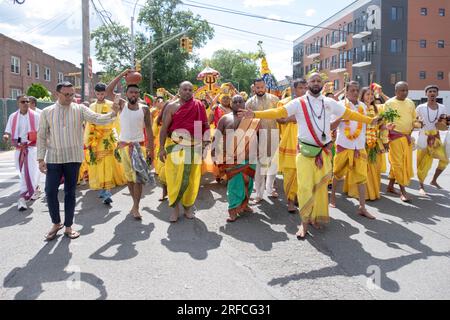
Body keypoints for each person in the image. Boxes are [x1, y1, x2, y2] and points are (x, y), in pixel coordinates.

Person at [239, 73, 377, 239]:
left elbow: (350, 114)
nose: (316, 83)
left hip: (324, 152)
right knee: (304, 188)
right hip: (305, 153)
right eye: (313, 80)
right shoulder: (299, 102)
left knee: (320, 188)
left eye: (319, 80)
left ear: (322, 84)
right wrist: (255, 114)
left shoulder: (329, 102)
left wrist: (370, 121)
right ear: (308, 83)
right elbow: (279, 112)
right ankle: (303, 223)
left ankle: (314, 217)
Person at [37, 82, 120, 241]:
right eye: (66, 94)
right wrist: (40, 158)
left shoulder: (79, 109)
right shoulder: (47, 112)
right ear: (57, 94)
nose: (70, 98)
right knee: (49, 191)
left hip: (73, 158)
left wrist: (113, 112)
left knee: (70, 192)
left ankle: (68, 226)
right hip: (54, 158)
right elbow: (41, 136)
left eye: (72, 94)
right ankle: (56, 223)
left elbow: (97, 119)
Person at [105, 72, 155, 219]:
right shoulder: (121, 105)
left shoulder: (144, 108)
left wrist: (151, 151)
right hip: (124, 147)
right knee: (129, 178)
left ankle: (136, 207)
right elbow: (108, 91)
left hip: (139, 147)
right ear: (126, 93)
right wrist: (122, 74)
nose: (134, 94)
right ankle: (134, 203)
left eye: (136, 92)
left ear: (138, 94)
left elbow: (150, 131)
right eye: (131, 92)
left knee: (138, 179)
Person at [159, 81, 209, 223]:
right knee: (174, 177)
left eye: (190, 90)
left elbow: (202, 125)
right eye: (185, 89)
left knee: (192, 179)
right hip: (175, 147)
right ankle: (174, 208)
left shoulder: (198, 105)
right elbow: (163, 129)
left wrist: (204, 145)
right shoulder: (171, 106)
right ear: (179, 91)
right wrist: (161, 148)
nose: (187, 91)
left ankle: (187, 207)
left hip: (194, 147)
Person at [329, 81, 375, 219]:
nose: (355, 93)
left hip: (359, 146)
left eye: (357, 90)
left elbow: (368, 125)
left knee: (362, 177)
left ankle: (362, 207)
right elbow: (331, 127)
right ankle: (332, 199)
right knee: (337, 174)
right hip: (343, 145)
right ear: (346, 91)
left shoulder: (363, 107)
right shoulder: (339, 106)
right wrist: (341, 118)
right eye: (352, 90)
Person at [213, 95, 260, 222]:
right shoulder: (224, 119)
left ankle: (244, 205)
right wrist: (213, 152)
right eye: (235, 101)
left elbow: (259, 136)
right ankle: (232, 210)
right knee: (234, 185)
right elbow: (216, 137)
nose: (238, 103)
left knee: (248, 183)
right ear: (231, 104)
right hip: (231, 157)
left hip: (250, 156)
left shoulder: (253, 119)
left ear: (245, 103)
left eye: (240, 101)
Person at [84, 83, 126, 205]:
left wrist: (117, 137)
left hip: (107, 138)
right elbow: (89, 123)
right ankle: (102, 187)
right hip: (96, 140)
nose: (100, 96)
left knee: (107, 164)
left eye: (102, 93)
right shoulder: (91, 106)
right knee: (98, 164)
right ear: (94, 93)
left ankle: (107, 191)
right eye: (98, 94)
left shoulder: (111, 104)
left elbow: (115, 120)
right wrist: (88, 139)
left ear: (105, 93)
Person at [345, 87, 388, 201]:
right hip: (360, 142)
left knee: (374, 167)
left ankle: (372, 191)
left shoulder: (378, 109)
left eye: (372, 95)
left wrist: (384, 137)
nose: (370, 97)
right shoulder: (359, 108)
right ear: (362, 96)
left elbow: (382, 125)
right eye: (367, 94)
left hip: (374, 142)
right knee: (360, 168)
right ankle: (359, 193)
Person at [3, 95, 41, 211]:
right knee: (22, 172)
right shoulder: (13, 117)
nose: (25, 103)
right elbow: (8, 131)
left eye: (27, 101)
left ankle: (22, 197)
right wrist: (6, 136)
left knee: (30, 172)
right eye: (22, 101)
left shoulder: (36, 116)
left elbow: (42, 132)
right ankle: (33, 190)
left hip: (32, 148)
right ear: (18, 103)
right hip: (19, 148)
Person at [245, 78, 280, 203]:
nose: (260, 90)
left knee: (273, 165)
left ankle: (270, 189)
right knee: (260, 167)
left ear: (265, 87)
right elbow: (247, 122)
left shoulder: (275, 100)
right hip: (258, 138)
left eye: (262, 87)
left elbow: (280, 116)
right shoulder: (249, 103)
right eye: (257, 87)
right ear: (253, 88)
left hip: (274, 135)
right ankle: (259, 194)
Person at [277, 79, 307, 213]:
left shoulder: (310, 103)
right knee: (290, 173)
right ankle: (290, 201)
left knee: (303, 173)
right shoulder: (285, 103)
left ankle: (299, 198)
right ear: (294, 89)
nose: (304, 90)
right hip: (289, 141)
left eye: (306, 88)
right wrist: (291, 119)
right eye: (301, 88)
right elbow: (278, 118)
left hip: (306, 142)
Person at [384, 82, 417, 202]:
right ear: (396, 91)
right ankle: (403, 191)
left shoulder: (410, 102)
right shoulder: (389, 103)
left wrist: (417, 124)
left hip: (407, 137)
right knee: (398, 163)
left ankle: (390, 186)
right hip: (395, 137)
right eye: (402, 90)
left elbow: (414, 119)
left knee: (402, 162)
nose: (405, 92)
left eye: (406, 90)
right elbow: (385, 122)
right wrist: (385, 140)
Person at [416, 85, 448, 195]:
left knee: (445, 160)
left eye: (434, 91)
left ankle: (434, 180)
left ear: (437, 94)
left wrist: (444, 123)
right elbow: (415, 121)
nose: (432, 93)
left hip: (436, 137)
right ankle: (421, 186)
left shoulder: (442, 107)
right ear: (426, 94)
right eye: (430, 91)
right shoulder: (420, 107)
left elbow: (444, 122)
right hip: (424, 137)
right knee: (423, 164)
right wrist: (418, 122)